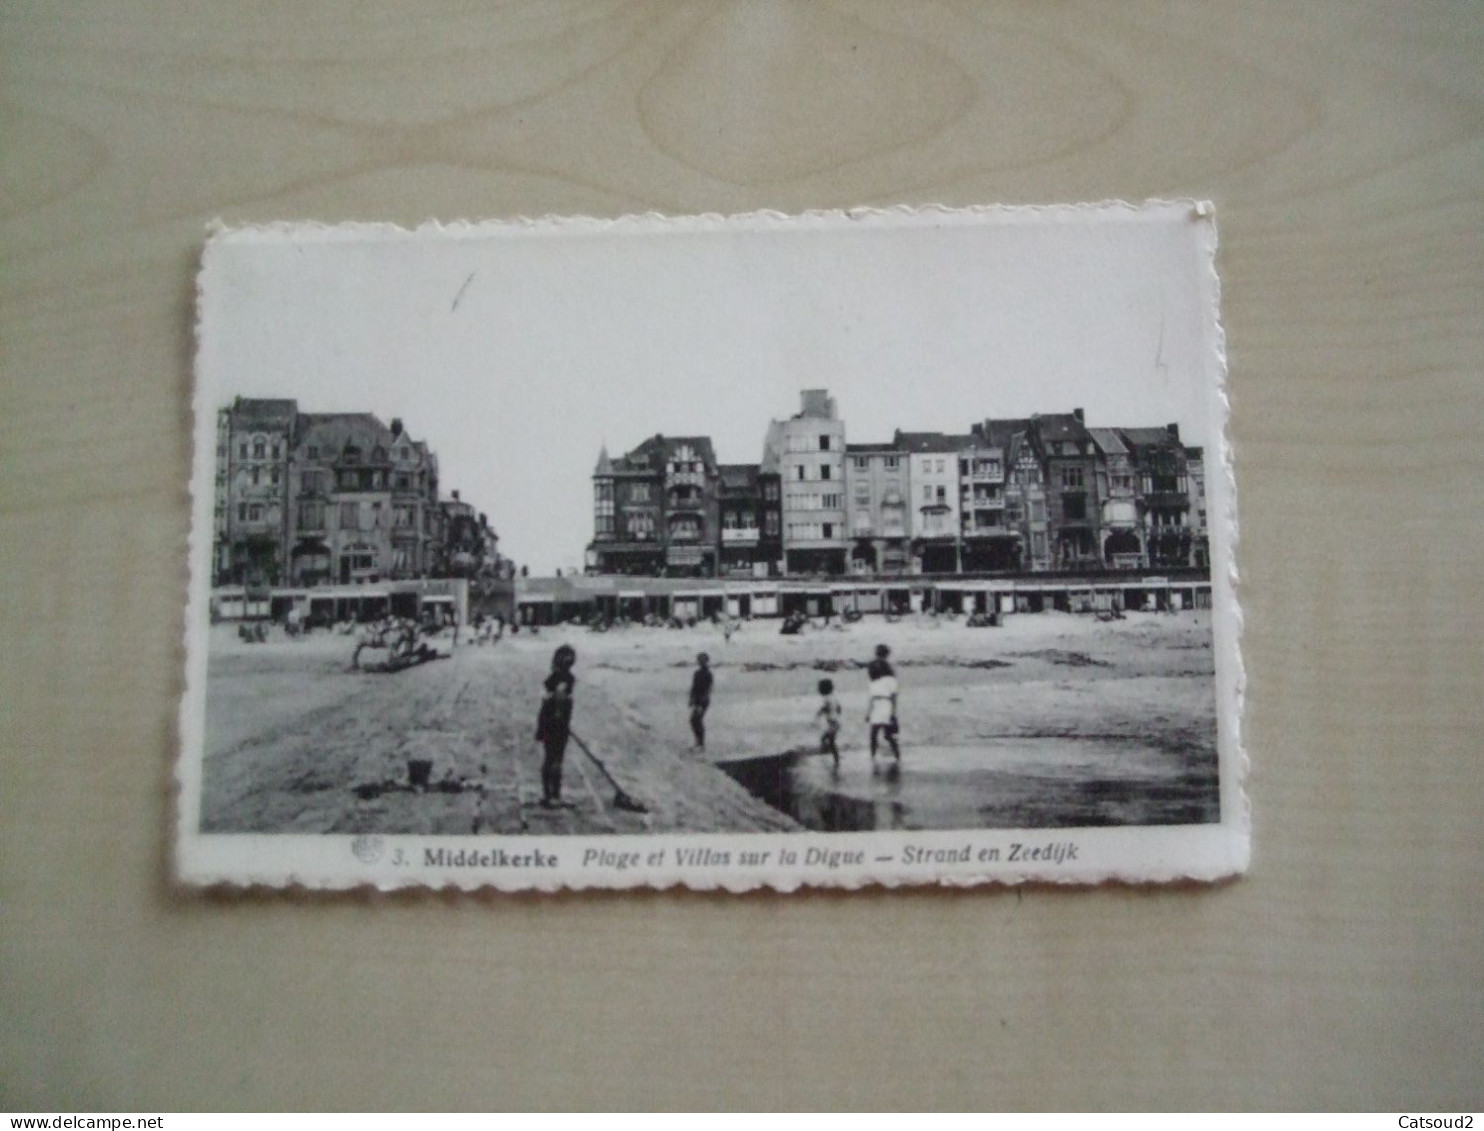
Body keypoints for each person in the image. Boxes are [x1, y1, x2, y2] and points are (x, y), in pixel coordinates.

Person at [534, 644, 577, 808]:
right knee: (556, 759)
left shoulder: (552, 678)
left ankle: (548, 794)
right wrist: (561, 719)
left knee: (549, 758)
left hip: (547, 723)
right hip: (557, 725)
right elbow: (560, 698)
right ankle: (554, 794)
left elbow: (548, 700)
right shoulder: (566, 679)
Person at [866, 643, 901, 764]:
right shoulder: (885, 681)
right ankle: (893, 755)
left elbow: (892, 697)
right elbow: (893, 697)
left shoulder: (880, 682)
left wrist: (892, 713)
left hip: (882, 706)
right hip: (882, 706)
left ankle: (875, 756)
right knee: (881, 734)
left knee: (878, 734)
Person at [688, 652, 713, 751]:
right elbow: (693, 687)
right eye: (699, 660)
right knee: (694, 721)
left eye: (702, 660)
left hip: (703, 700)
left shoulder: (708, 674)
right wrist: (691, 698)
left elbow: (709, 688)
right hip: (697, 699)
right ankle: (698, 742)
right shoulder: (697, 673)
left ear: (706, 661)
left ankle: (701, 744)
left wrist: (704, 698)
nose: (700, 662)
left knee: (697, 720)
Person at [816, 678, 842, 767]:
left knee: (830, 741)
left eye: (819, 688)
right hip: (836, 722)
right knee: (827, 739)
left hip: (833, 723)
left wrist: (818, 714)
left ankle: (836, 758)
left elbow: (824, 708)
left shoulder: (826, 698)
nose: (818, 690)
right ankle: (834, 756)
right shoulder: (834, 697)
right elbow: (839, 708)